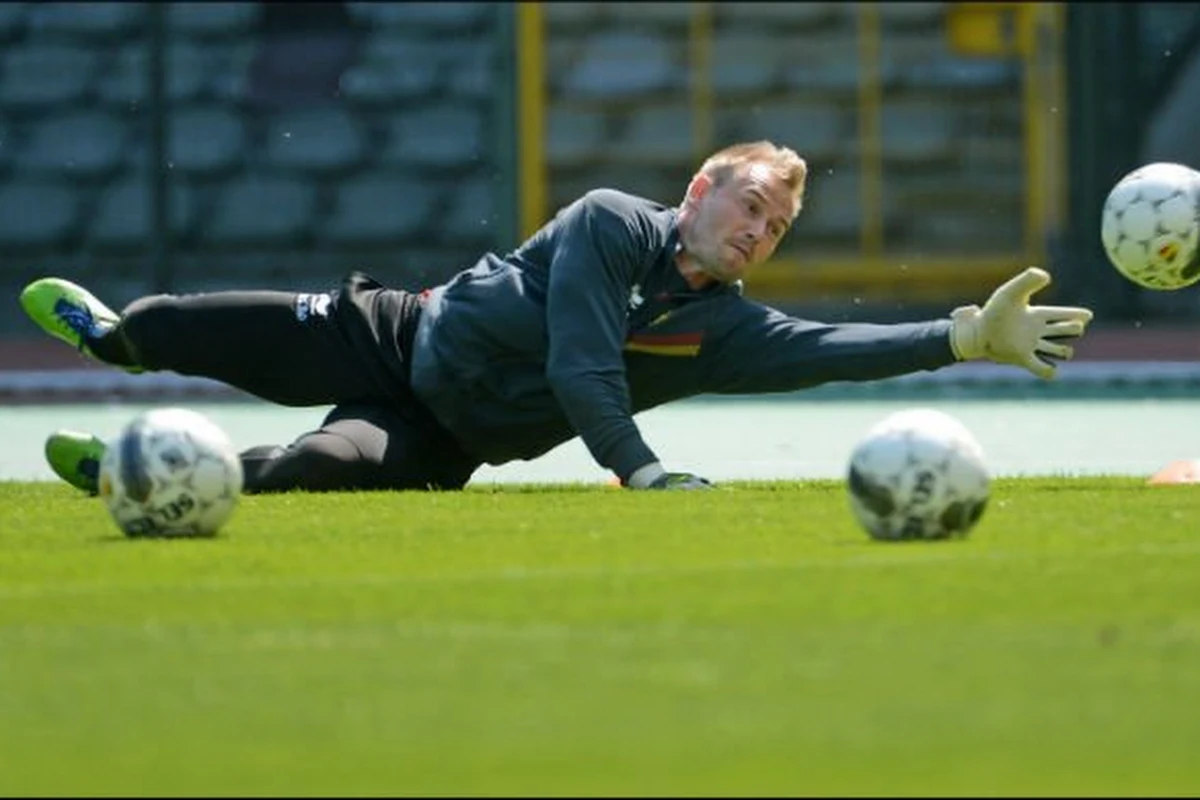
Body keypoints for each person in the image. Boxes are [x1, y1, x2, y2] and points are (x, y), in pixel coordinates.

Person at [20, 140, 1094, 495]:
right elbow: (586, 367)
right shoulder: (611, 224)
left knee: (317, 473)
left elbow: (828, 350)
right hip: (397, 329)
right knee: (195, 328)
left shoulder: (722, 328)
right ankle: (117, 334)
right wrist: (638, 467)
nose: (759, 233)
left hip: (445, 433)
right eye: (749, 206)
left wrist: (961, 336)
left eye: (775, 229)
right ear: (697, 193)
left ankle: (139, 478)